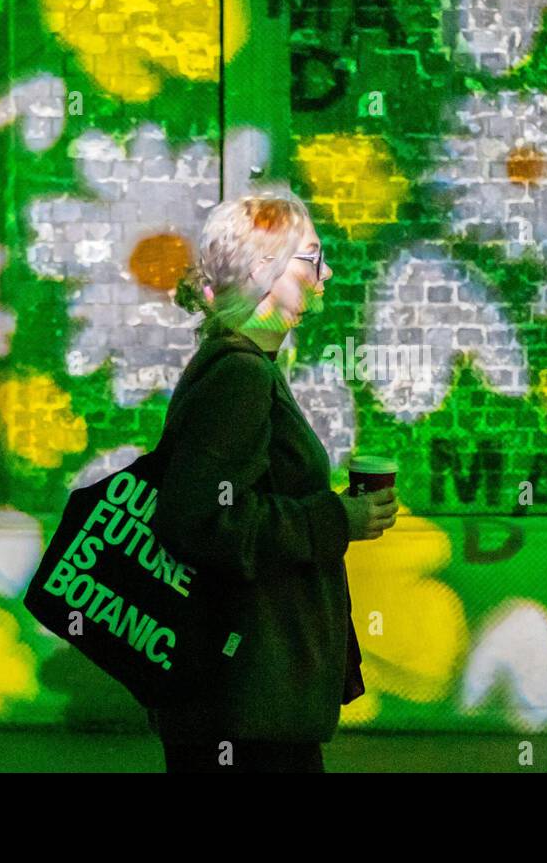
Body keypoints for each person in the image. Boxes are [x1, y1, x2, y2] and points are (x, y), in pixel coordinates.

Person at [146, 188, 398, 773]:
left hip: (251, 697)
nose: (325, 272)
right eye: (311, 257)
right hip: (243, 704)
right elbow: (199, 520)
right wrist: (339, 518)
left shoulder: (244, 366)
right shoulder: (238, 375)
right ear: (265, 269)